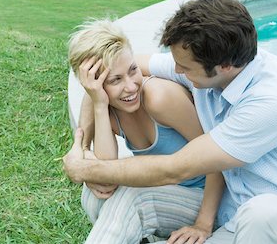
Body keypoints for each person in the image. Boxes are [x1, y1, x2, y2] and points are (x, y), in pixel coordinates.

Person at [64, 0, 277, 244]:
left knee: (263, 212)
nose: (176, 71)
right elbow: (107, 76)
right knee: (249, 213)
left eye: (185, 67)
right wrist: (82, 145)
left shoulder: (273, 102)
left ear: (224, 66)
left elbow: (175, 168)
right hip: (235, 217)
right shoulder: (207, 63)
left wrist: (84, 169)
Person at [67, 19, 225, 243]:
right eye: (115, 80)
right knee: (95, 195)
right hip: (164, 188)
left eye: (133, 70)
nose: (131, 86)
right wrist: (100, 105)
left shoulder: (159, 98)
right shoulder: (107, 107)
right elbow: (106, 174)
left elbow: (216, 158)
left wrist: (203, 224)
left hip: (205, 198)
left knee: (132, 197)